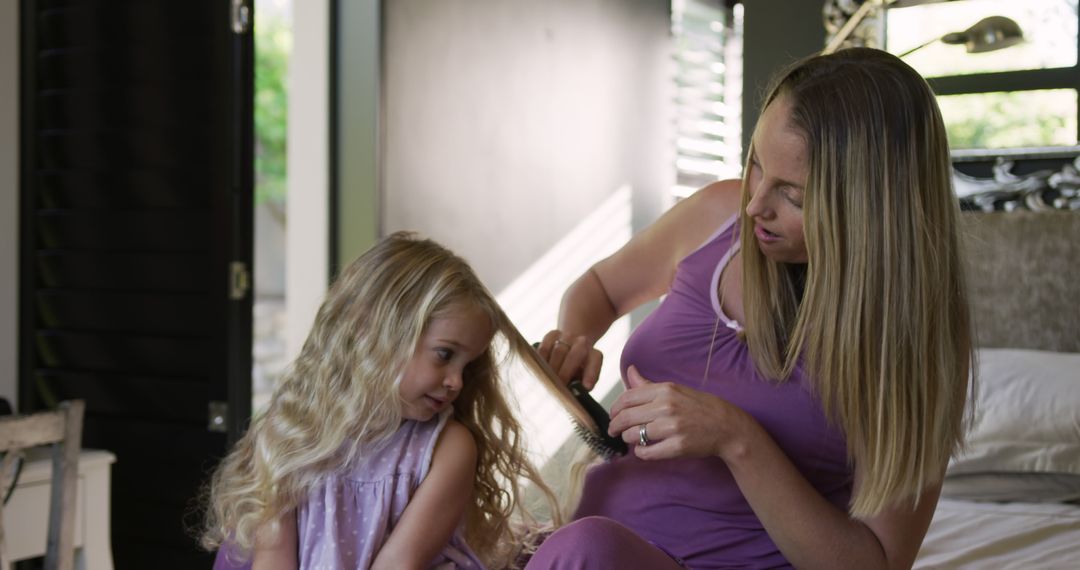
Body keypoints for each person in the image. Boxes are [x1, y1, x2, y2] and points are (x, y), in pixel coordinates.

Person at [527, 47, 974, 569]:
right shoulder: (718, 215)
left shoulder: (911, 342)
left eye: (794, 195)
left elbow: (873, 563)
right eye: (757, 164)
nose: (756, 203)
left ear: (870, 209)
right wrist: (576, 340)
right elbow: (599, 289)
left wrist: (736, 438)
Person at [202, 232, 563, 570]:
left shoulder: (447, 449)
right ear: (373, 334)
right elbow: (273, 561)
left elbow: (397, 565)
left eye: (467, 366)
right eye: (444, 354)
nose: (456, 381)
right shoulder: (288, 434)